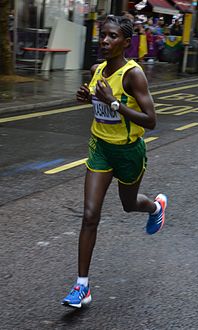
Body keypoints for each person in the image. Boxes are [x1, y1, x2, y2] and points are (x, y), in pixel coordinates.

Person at [61, 15, 167, 309]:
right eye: (102, 36)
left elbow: (152, 121)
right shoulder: (97, 70)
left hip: (129, 152)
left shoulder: (134, 75)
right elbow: (100, 105)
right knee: (90, 214)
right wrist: (88, 98)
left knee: (128, 204)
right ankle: (82, 286)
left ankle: (155, 206)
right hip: (100, 148)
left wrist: (114, 103)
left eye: (111, 37)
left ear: (126, 42)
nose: (104, 41)